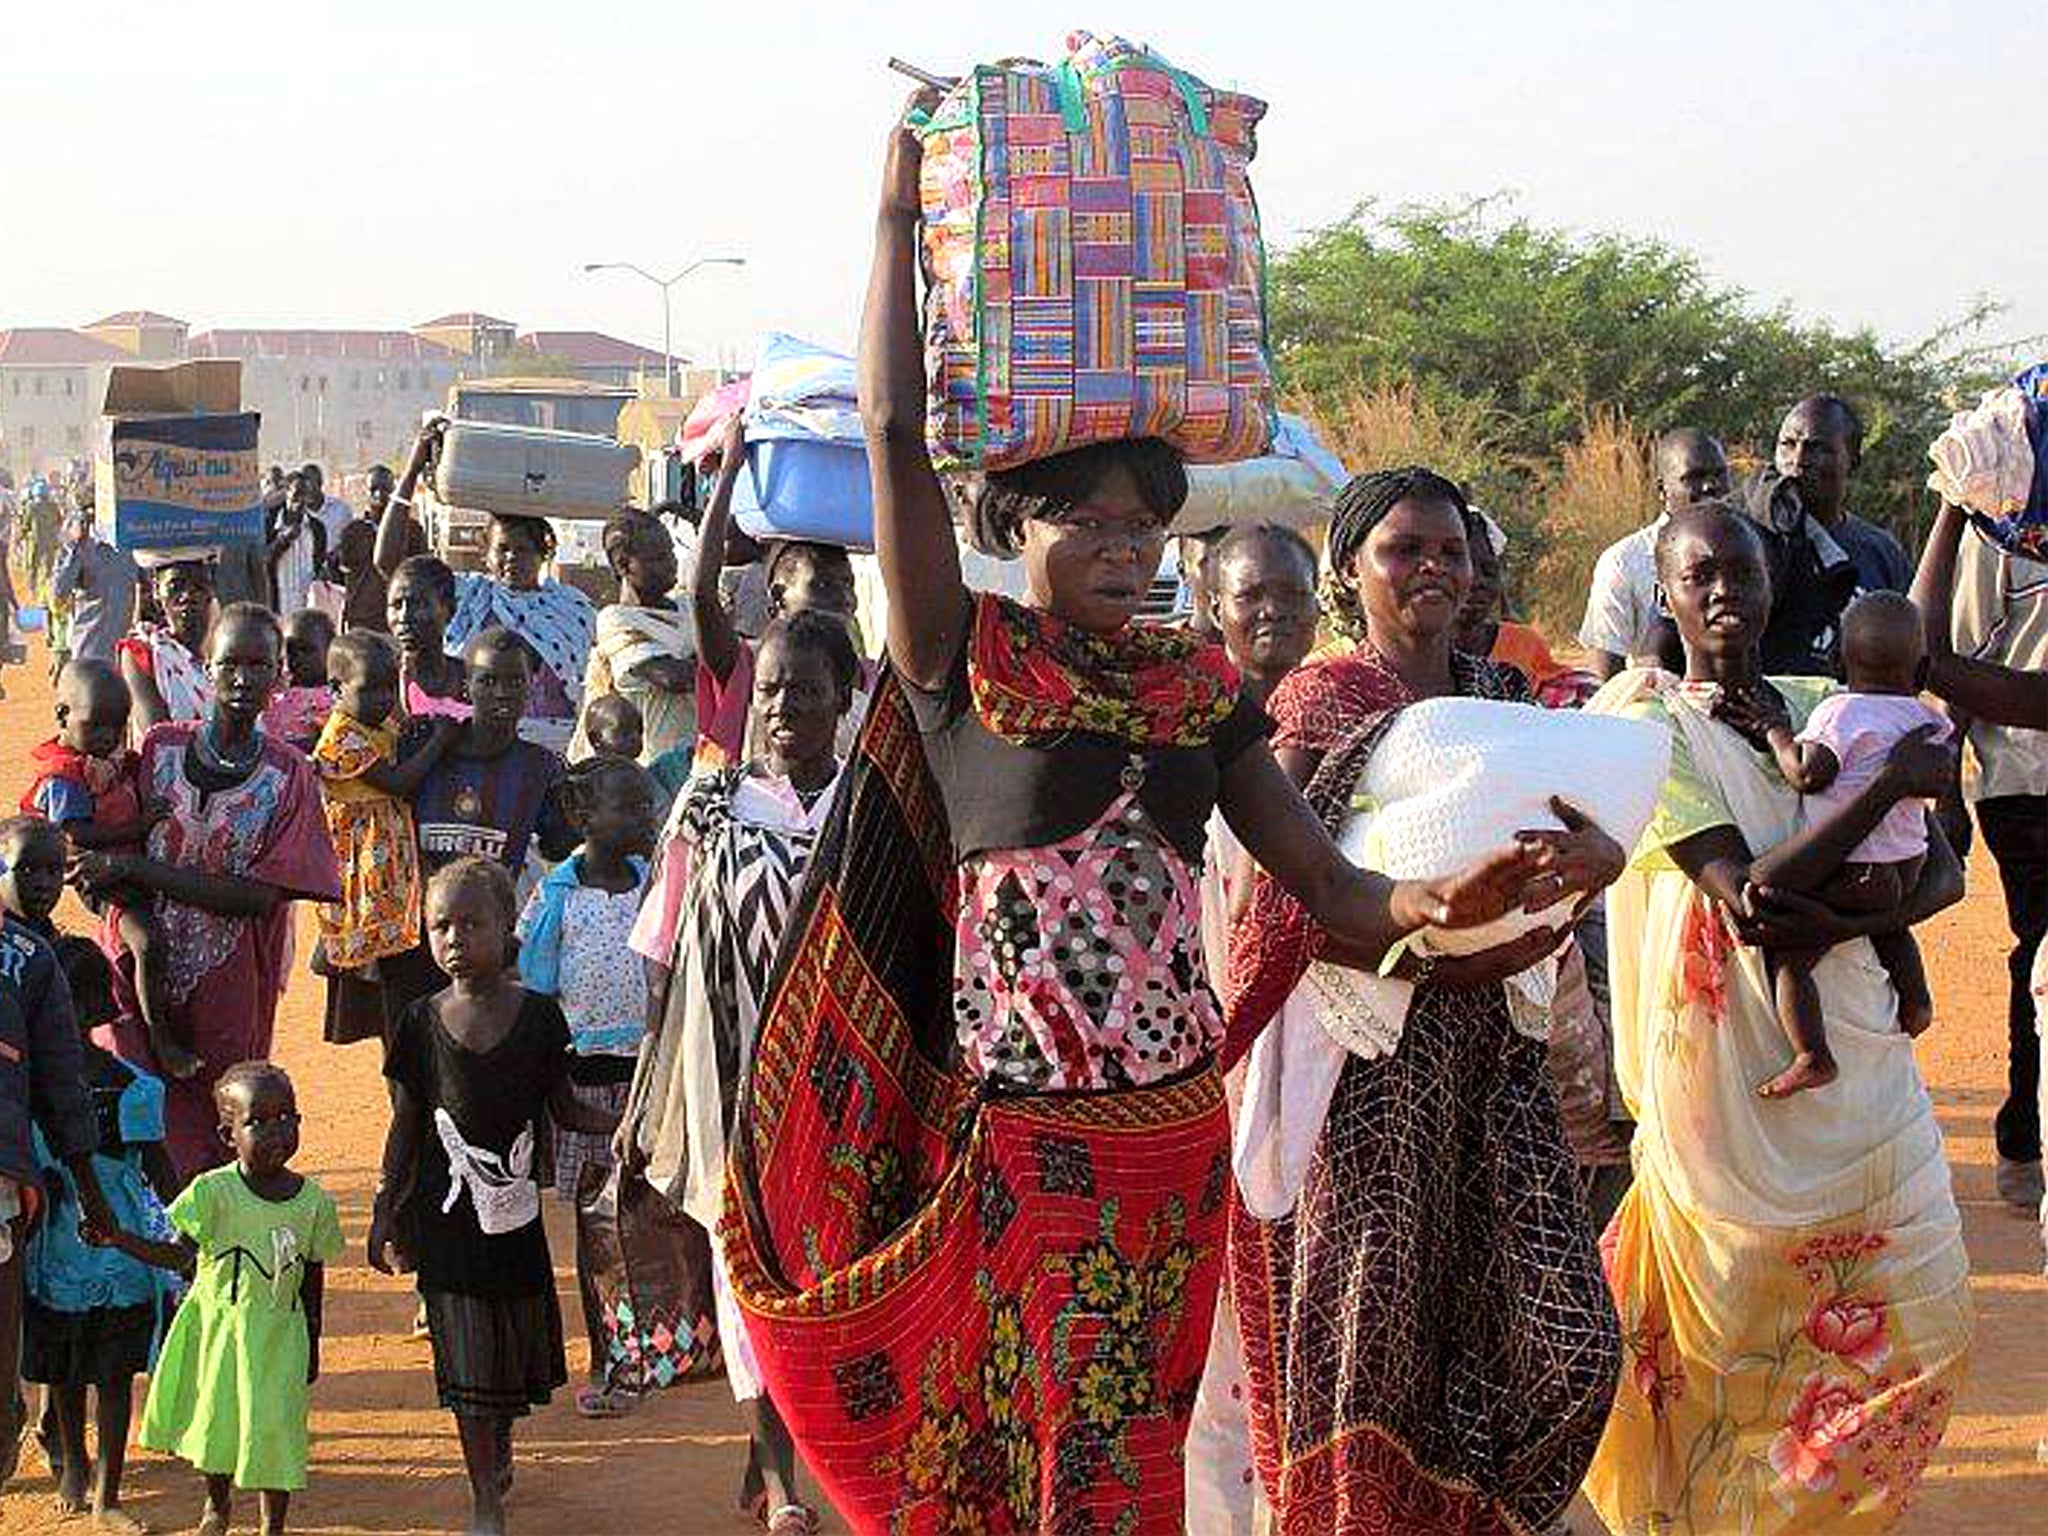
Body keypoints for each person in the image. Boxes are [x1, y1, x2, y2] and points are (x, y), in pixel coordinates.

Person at [712, 99, 1595, 1535]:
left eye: (1144, 528)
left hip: (1170, 1128)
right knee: (1034, 1447)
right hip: (1028, 1132)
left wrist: (1438, 899)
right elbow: (889, 425)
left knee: (1133, 1456)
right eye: (1089, 525)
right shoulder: (964, 661)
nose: (1124, 552)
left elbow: (1325, 883)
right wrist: (891, 210)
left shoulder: (1196, 690)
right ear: (1016, 527)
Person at [1223, 466, 1626, 1535]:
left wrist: (1605, 856)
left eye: (1449, 550)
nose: (1432, 568)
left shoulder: (1500, 698)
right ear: (1350, 569)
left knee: (1567, 1343)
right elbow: (1290, 903)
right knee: (1374, 1342)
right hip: (1371, 1075)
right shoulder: (1315, 702)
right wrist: (1428, 963)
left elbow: (1582, 835)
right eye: (1404, 549)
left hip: (1496, 1058)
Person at [1581, 501, 1970, 1534]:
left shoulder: (1822, 701)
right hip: (1722, 1085)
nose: (1721, 591)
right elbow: (1740, 894)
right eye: (1696, 573)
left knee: (1929, 1320)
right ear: (1658, 592)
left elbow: (1939, 869)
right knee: (1724, 1338)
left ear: (1770, 584)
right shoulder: (1639, 722)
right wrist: (1881, 799)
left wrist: (1827, 914)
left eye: (1741, 572)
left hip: (1860, 1059)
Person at [623, 611, 859, 1531]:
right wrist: (648, 1095)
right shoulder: (711, 806)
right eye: (769, 690)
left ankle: (789, 1451)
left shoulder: (873, 804)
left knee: (832, 1272)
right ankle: (781, 1480)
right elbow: (662, 958)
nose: (785, 706)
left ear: (844, 697)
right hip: (728, 1086)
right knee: (745, 1273)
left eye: (806, 689)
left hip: (844, 1087)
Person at [369, 858, 615, 1536]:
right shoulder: (420, 1021)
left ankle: (499, 1449)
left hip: (515, 1225)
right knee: (466, 1357)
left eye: (471, 924)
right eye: (439, 925)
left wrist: (625, 1125)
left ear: (506, 930)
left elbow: (565, 1108)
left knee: (506, 1353)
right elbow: (407, 1122)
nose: (453, 939)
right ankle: (484, 1496)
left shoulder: (539, 1018)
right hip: (445, 1224)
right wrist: (387, 1207)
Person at [72, 604, 342, 1182]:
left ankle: (212, 1252)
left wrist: (135, 870)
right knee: (133, 1104)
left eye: (259, 664)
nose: (243, 678)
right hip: (135, 963)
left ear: (279, 675)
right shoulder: (162, 749)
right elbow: (101, 820)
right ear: (208, 669)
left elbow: (259, 898)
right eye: (230, 663)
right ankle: (148, 1255)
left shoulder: (289, 775)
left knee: (224, 1115)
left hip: (231, 973)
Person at [1183, 521, 1318, 1536]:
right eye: (1247, 595)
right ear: (1209, 612)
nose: (1269, 611)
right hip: (1205, 1081)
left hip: (1317, 1084)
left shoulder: (1357, 743)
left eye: (1289, 593)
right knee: (1216, 1351)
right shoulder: (1182, 752)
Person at [89, 1062, 340, 1536]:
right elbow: (177, 1255)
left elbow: (311, 1273)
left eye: (287, 1117)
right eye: (257, 1121)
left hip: (279, 1335)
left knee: (276, 1428)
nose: (276, 1131)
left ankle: (272, 1524)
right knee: (219, 1423)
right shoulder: (211, 1192)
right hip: (219, 1332)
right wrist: (119, 1238)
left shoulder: (313, 1203)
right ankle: (217, 1506)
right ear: (228, 1135)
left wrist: (313, 1333)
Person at [1719, 590, 1945, 1096]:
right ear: (1923, 669)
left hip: (1854, 868)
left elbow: (1808, 774)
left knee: (1791, 958)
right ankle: (1916, 1001)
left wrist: (1777, 732)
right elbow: (1939, 778)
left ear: (1837, 661)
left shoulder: (1839, 712)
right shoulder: (1928, 718)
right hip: (1908, 864)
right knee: (1893, 930)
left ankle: (1812, 1055)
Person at [1913, 497, 2048, 1207]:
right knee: (2042, 952)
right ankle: (2025, 1136)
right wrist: (1946, 792)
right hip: (2027, 777)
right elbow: (1947, 657)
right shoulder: (2005, 523)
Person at [517, 757, 659, 1419]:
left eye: (646, 807)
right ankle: (606, 1355)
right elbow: (536, 986)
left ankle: (655, 1344)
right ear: (585, 818)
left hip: (645, 1076)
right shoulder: (556, 895)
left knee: (647, 1216)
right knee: (591, 1225)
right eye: (630, 809)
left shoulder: (652, 886)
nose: (645, 818)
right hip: (581, 1083)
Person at [21, 932, 175, 1533]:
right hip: (88, 1255)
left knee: (92, 1373)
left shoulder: (114, 1088)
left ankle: (92, 1480)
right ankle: (88, 1476)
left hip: (90, 1254)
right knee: (85, 1374)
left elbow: (159, 1170)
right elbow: (161, 1173)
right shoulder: (124, 1086)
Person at [378, 628, 576, 1031]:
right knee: (408, 1067)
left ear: (531, 687)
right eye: (488, 681)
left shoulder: (541, 767)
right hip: (413, 940)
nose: (502, 692)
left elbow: (560, 845)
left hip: (490, 947)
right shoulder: (423, 746)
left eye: (514, 681)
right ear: (467, 687)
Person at [375, 420, 596, 754]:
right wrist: (413, 468)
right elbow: (389, 563)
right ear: (486, 555)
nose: (511, 559)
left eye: (522, 550)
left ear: (544, 553)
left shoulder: (572, 607)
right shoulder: (470, 596)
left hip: (555, 747)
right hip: (474, 745)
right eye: (502, 549)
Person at [24, 661, 180, 1074]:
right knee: (148, 943)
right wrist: (139, 826)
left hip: (124, 866)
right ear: (62, 715)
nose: (108, 737)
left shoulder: (104, 758)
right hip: (100, 880)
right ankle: (161, 1037)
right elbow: (74, 835)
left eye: (117, 727)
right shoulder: (63, 776)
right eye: (96, 726)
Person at [691, 418, 873, 770]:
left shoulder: (866, 677)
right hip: (751, 820)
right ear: (777, 596)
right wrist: (729, 471)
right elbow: (701, 593)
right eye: (822, 585)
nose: (842, 598)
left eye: (847, 585)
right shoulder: (745, 665)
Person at [311, 632, 459, 1048]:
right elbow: (399, 781)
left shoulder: (377, 723)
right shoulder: (341, 738)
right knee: (392, 978)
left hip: (395, 864)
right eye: (368, 689)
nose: (381, 698)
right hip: (367, 870)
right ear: (336, 689)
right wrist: (440, 740)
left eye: (387, 687)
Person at [1580, 427, 1732, 679]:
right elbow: (1605, 670)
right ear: (1662, 489)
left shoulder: (1752, 548)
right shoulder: (1624, 561)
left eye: (1719, 474)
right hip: (1655, 709)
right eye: (1694, 477)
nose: (1710, 486)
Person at [577, 508, 696, 765]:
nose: (672, 563)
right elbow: (672, 677)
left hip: (696, 758)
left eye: (671, 553)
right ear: (623, 564)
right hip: (652, 765)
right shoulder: (616, 619)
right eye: (659, 557)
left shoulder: (687, 607)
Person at [1776, 394, 1910, 598]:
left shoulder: (1880, 551)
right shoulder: (1756, 540)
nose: (1798, 460)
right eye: (1788, 444)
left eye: (1818, 448)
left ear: (1853, 461)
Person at [117, 557, 217, 742]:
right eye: (175, 586)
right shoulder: (143, 653)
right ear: (157, 591)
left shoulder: (229, 651)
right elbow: (159, 735)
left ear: (212, 590)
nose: (188, 595)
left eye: (199, 585)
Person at [49, 497, 138, 667]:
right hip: (88, 652)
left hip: (123, 656)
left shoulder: (129, 546)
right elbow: (58, 593)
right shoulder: (77, 550)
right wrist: (75, 548)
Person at [335, 464, 417, 635]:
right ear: (365, 492)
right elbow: (343, 575)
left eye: (385, 489)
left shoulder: (412, 530)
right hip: (361, 620)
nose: (379, 494)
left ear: (394, 491)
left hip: (399, 619)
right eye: (373, 489)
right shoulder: (354, 531)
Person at [387, 556, 469, 721]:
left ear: (450, 610)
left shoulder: (469, 679)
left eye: (419, 604)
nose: (404, 616)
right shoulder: (376, 680)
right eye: (396, 605)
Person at [264, 609, 337, 752]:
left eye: (307, 650)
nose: (297, 657)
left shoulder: (337, 697)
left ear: (330, 650)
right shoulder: (274, 693)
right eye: (291, 650)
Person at [267, 477, 327, 621]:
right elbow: (264, 562)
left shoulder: (316, 528)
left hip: (307, 607)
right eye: (297, 494)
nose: (301, 501)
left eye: (305, 495)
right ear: (287, 492)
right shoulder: (269, 525)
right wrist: (283, 541)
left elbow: (318, 563)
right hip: (278, 607)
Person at [295, 463, 352, 548]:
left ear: (320, 483)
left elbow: (349, 542)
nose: (307, 488)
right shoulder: (295, 514)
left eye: (310, 482)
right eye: (302, 485)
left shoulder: (341, 510)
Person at [577, 693, 643, 764]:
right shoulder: (589, 772)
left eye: (639, 730)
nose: (635, 737)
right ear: (595, 738)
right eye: (625, 733)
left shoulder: (639, 772)